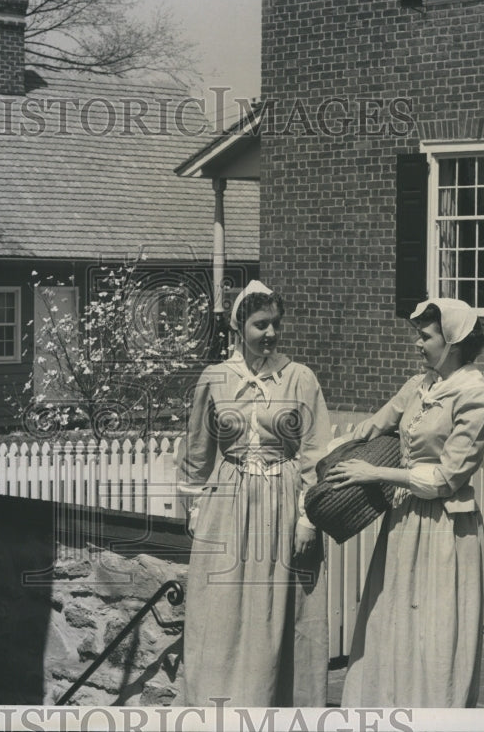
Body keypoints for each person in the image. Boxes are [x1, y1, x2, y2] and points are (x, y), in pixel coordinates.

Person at [325, 297, 484, 708]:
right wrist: (328, 457)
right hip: (404, 521)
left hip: (442, 526)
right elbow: (371, 427)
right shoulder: (421, 384)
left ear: (452, 341)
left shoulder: (474, 395)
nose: (417, 344)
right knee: (392, 621)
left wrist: (376, 474)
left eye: (425, 336)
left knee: (433, 631)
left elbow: (446, 478)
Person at [178, 280, 333, 707]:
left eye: (276, 325)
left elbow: (315, 453)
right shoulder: (216, 378)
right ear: (239, 326)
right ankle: (218, 705)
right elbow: (196, 448)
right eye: (261, 324)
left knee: (279, 610)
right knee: (221, 609)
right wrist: (194, 507)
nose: (271, 333)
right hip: (226, 504)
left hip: (282, 502)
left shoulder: (300, 378)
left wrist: (307, 517)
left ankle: (279, 705)